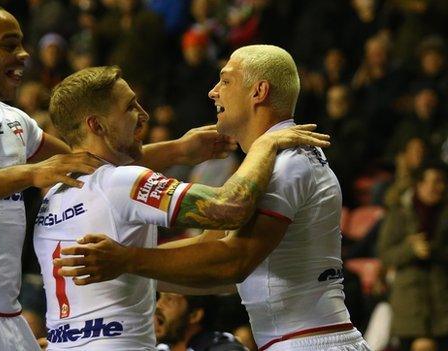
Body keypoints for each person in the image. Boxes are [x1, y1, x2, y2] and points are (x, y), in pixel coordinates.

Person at [0, 3, 250, 350]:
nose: (24, 54)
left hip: (7, 318)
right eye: (8, 45)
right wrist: (30, 173)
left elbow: (93, 165)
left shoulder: (15, 122)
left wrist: (178, 151)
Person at [56, 45, 371, 351]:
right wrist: (119, 269)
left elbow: (232, 262)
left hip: (309, 341)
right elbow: (209, 251)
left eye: (226, 80)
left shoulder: (287, 162)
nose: (213, 91)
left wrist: (127, 259)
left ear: (258, 92)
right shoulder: (274, 161)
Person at [378, 163, 448, 351]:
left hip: (442, 299)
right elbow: (385, 255)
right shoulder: (399, 213)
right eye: (434, 181)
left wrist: (432, 249)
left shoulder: (444, 214)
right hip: (410, 301)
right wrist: (411, 249)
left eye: (442, 182)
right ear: (419, 184)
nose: (438, 187)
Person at [155, 292, 249, 351]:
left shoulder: (224, 348)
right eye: (159, 298)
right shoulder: (159, 348)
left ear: (194, 315)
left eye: (169, 299)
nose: (158, 305)